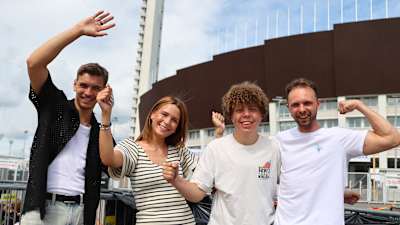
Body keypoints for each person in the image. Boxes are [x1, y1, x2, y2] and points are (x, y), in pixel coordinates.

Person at [20, 11, 115, 225]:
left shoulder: (100, 131)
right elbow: (34, 63)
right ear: (74, 84)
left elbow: (113, 166)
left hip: (82, 212)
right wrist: (78, 30)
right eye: (83, 85)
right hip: (43, 209)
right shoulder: (55, 106)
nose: (88, 92)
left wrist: (106, 114)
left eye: (95, 88)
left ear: (104, 90)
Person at [274, 78, 400, 225]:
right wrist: (337, 192)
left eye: (307, 103)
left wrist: (360, 105)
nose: (302, 109)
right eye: (295, 105)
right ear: (288, 107)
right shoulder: (279, 141)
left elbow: (392, 138)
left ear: (318, 104)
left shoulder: (338, 138)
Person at [163, 82, 281, 225]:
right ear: (231, 116)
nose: (246, 114)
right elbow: (197, 193)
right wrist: (177, 180)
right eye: (239, 110)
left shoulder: (274, 148)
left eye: (252, 109)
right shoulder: (216, 148)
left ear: (262, 114)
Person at [98, 95, 224, 225]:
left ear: (176, 128)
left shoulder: (179, 150)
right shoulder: (132, 148)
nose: (168, 121)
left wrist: (219, 134)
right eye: (164, 114)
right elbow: (108, 158)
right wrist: (106, 115)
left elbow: (208, 170)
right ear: (152, 114)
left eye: (174, 120)